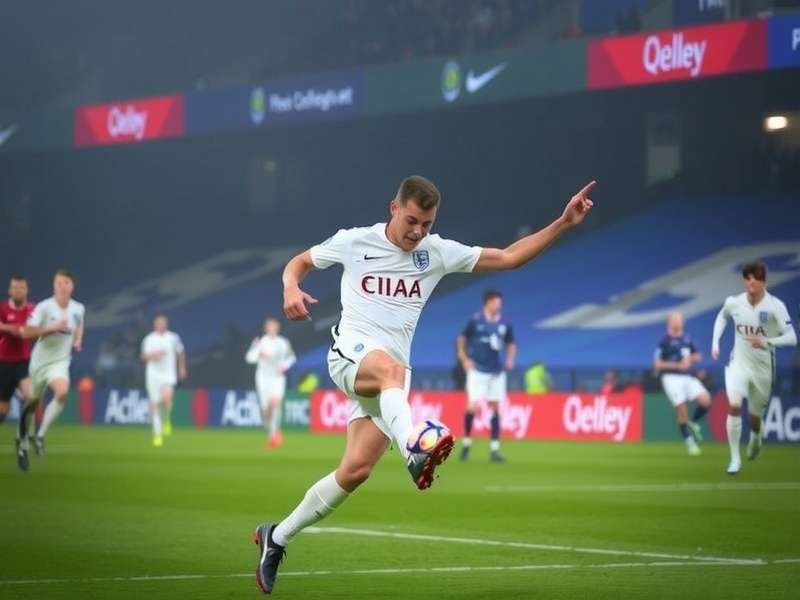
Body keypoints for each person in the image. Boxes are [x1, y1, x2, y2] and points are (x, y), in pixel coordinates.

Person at [251, 175, 595, 594]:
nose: (418, 231)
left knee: (355, 470)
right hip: (352, 356)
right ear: (393, 209)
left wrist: (562, 223)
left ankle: (277, 537)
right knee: (392, 372)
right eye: (412, 220)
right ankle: (415, 445)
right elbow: (299, 262)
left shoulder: (436, 253)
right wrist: (291, 287)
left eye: (427, 224)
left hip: (392, 382)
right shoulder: (355, 241)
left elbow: (508, 257)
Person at [712, 261, 797, 475]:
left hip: (762, 369)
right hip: (738, 364)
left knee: (755, 418)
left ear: (764, 282)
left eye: (755, 278)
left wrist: (769, 341)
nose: (751, 281)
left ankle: (756, 438)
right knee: (733, 405)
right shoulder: (734, 302)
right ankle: (734, 459)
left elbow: (792, 338)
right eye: (747, 277)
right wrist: (715, 342)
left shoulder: (775, 306)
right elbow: (722, 317)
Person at [16, 270, 85, 472]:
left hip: (61, 361)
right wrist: (51, 327)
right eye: (59, 282)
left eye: (67, 282)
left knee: (62, 392)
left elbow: (79, 325)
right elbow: (27, 332)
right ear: (54, 286)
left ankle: (40, 435)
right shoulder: (45, 307)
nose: (63, 286)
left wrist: (79, 339)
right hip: (40, 362)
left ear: (72, 286)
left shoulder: (78, 308)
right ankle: (22, 445)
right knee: (32, 404)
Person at [457, 289, 515, 462]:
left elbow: (511, 343)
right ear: (487, 303)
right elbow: (461, 338)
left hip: (496, 372)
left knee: (495, 408)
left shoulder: (505, 323)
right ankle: (466, 443)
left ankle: (495, 449)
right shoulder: (475, 320)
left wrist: (511, 358)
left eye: (500, 302)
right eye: (496, 302)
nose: (499, 305)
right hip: (477, 370)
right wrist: (464, 358)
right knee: (472, 406)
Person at [653, 311, 711, 456]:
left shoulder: (687, 338)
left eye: (680, 319)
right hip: (670, 378)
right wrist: (676, 365)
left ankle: (694, 422)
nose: (679, 321)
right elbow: (657, 364)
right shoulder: (663, 341)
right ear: (670, 322)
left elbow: (698, 356)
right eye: (675, 319)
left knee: (706, 400)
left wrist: (689, 360)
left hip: (686, 376)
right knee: (681, 409)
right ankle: (690, 442)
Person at [246, 317, 296, 449]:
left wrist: (284, 365)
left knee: (275, 403)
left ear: (277, 328)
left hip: (277, 378)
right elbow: (249, 358)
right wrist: (259, 353)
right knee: (266, 410)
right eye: (270, 326)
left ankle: (275, 434)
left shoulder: (283, 342)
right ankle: (272, 433)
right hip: (263, 378)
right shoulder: (260, 342)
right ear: (266, 328)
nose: (272, 329)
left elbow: (291, 357)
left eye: (274, 326)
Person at [140, 314, 186, 447]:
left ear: (166, 324)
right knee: (154, 403)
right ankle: (157, 434)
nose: (161, 325)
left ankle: (166, 418)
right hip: (153, 375)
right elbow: (143, 357)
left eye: (163, 323)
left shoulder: (173, 337)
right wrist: (153, 355)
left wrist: (181, 368)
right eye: (158, 323)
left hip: (168, 373)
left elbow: (180, 352)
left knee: (166, 399)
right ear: (154, 325)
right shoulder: (149, 339)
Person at [0, 277, 35, 428]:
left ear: (26, 290)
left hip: (23, 362)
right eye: (15, 287)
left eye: (21, 288)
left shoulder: (33, 309)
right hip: (4, 362)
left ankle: (23, 433)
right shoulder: (2, 308)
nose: (18, 291)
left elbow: (37, 329)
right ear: (9, 290)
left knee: (31, 397)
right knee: (3, 408)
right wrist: (10, 328)